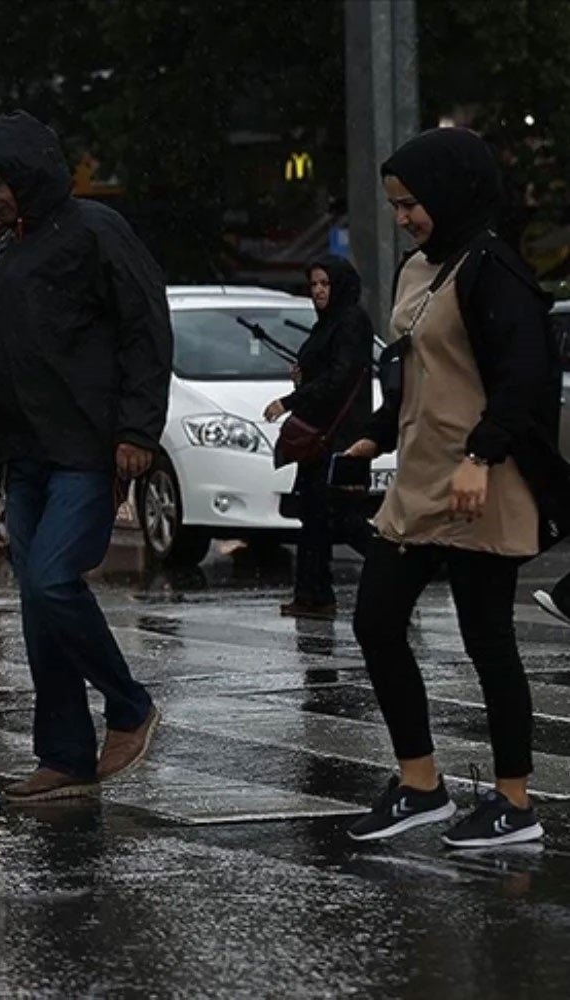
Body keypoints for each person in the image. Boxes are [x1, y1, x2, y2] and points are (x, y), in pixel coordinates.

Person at [342, 127, 564, 848]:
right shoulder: (420, 269)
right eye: (397, 205)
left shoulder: (494, 269)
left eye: (412, 204)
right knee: (375, 621)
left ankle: (514, 804)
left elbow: (526, 378)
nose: (403, 217)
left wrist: (482, 456)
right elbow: (414, 369)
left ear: (451, 193)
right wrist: (376, 429)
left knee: (487, 639)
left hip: (480, 480)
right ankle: (420, 784)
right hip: (420, 478)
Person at [0, 111, 172, 802]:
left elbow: (146, 327)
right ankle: (65, 757)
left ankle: (131, 706)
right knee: (37, 603)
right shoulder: (9, 255)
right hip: (24, 455)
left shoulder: (97, 232)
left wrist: (137, 432)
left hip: (86, 447)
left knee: (52, 582)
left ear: (26, 174)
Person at [262, 256, 376, 619]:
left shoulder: (351, 322)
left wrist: (290, 400)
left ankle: (399, 569)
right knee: (314, 517)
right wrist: (302, 378)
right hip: (319, 437)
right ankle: (312, 596)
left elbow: (339, 380)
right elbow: (324, 375)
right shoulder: (328, 324)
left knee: (343, 516)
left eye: (325, 284)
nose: (318, 292)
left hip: (340, 439)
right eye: (313, 285)